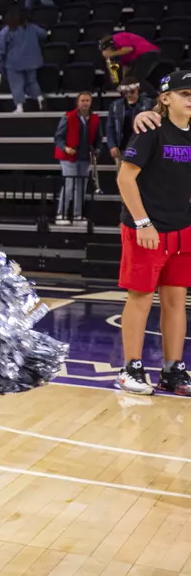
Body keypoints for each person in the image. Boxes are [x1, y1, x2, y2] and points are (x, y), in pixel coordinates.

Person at [114, 72, 191, 396]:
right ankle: (130, 368)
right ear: (165, 98)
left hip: (182, 229)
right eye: (185, 93)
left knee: (176, 301)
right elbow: (124, 179)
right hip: (147, 229)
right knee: (141, 298)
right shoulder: (151, 130)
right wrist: (143, 223)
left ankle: (172, 371)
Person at [53, 92, 101, 226]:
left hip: (84, 157)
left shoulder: (95, 119)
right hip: (69, 157)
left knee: (81, 187)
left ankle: (77, 215)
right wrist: (65, 148)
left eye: (87, 100)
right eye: (83, 100)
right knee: (69, 185)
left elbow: (98, 139)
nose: (85, 103)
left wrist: (97, 150)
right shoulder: (68, 117)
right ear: (78, 102)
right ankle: (61, 214)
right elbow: (58, 137)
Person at [0, 7, 47, 113]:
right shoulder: (31, 27)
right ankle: (40, 99)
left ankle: (19, 107)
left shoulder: (7, 30)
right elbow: (43, 34)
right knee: (32, 81)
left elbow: (0, 47)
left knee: (16, 84)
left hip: (14, 63)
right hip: (32, 61)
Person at [108, 79, 155, 163]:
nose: (129, 94)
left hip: (142, 146)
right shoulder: (115, 105)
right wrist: (112, 146)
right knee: (122, 174)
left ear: (137, 89)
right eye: (126, 92)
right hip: (123, 147)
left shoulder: (148, 103)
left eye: (132, 91)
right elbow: (110, 127)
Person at [100, 33, 165, 90]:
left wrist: (111, 54)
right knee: (131, 80)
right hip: (143, 57)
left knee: (136, 80)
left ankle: (154, 96)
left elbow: (129, 49)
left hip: (147, 54)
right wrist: (123, 82)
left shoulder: (117, 37)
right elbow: (126, 68)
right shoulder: (121, 55)